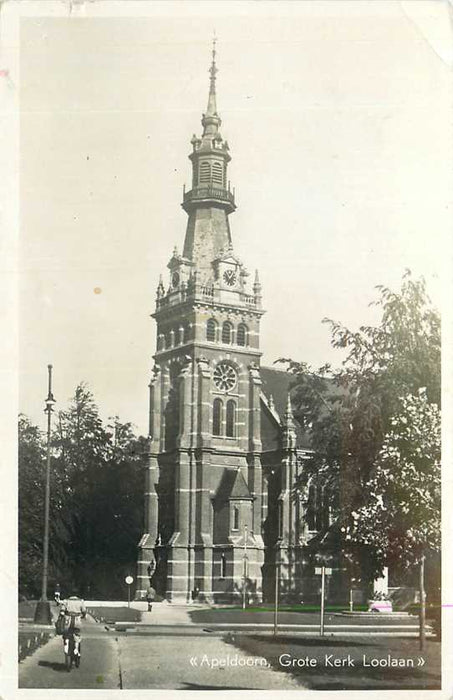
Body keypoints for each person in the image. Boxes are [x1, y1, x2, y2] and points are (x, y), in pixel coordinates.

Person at [60, 593, 87, 658]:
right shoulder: (81, 601)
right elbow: (84, 611)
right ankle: (76, 649)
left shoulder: (66, 601)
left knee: (66, 634)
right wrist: (83, 615)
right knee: (77, 634)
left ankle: (66, 644)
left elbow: (62, 611)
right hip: (77, 620)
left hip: (68, 621)